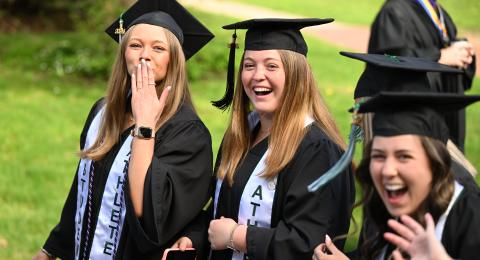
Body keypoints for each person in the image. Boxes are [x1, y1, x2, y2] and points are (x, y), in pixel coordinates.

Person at [33, 0, 214, 259]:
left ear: (175, 59)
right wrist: (51, 249)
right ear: (123, 52)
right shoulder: (102, 113)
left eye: (159, 48)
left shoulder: (188, 134)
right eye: (136, 45)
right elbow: (84, 191)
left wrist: (144, 124)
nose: (145, 55)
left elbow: (150, 215)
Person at [173, 18, 356, 260]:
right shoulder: (240, 136)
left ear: (296, 75)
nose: (258, 75)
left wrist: (237, 237)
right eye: (249, 65)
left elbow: (310, 243)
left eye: (271, 66)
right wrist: (195, 236)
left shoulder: (317, 151)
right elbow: (224, 209)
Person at [312, 54, 480, 260]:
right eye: (379, 155)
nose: (388, 170)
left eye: (404, 156)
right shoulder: (392, 198)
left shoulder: (466, 208)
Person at [368, 0, 476, 152]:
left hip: (442, 115)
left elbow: (440, 44)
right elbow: (390, 59)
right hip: (410, 123)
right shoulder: (394, 10)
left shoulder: (436, 10)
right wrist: (440, 56)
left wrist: (462, 55)